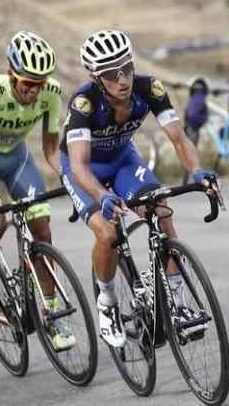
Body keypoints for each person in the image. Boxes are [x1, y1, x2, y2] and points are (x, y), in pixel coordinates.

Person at [62, 29, 219, 347]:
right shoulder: (84, 104)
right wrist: (103, 196)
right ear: (95, 77)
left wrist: (197, 170)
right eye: (111, 74)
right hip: (84, 170)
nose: (123, 79)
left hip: (122, 161)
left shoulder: (149, 88)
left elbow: (178, 137)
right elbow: (78, 166)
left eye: (127, 68)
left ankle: (177, 300)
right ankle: (107, 303)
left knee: (160, 207)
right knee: (107, 235)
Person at [0, 31, 75, 350]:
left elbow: (51, 151)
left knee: (43, 231)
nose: (32, 91)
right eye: (26, 82)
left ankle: (52, 314)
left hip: (19, 160)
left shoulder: (51, 93)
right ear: (12, 75)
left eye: (39, 84)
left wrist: (72, 181)